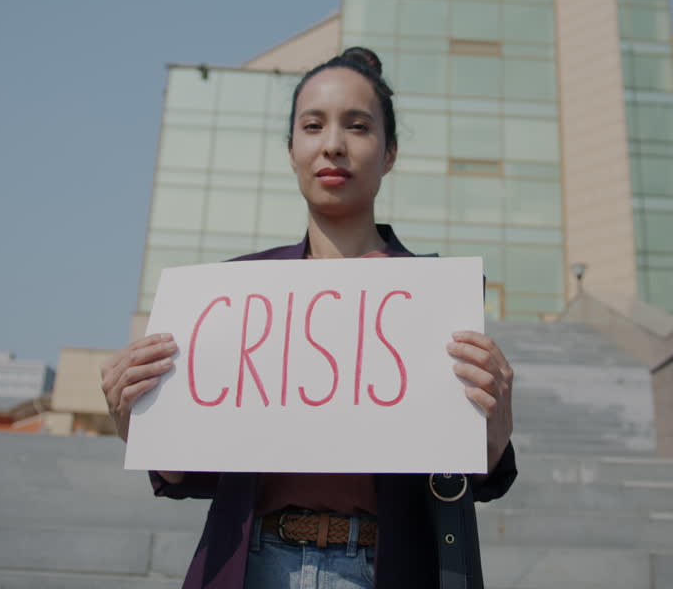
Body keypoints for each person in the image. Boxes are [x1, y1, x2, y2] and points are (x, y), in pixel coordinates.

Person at [100, 47, 517, 589]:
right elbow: (188, 472)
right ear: (292, 148)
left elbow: (469, 474)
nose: (333, 145)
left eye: (358, 126)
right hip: (251, 565)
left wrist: (494, 432)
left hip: (386, 568)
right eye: (313, 125)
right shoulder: (234, 296)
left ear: (389, 152)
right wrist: (141, 422)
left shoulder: (434, 297)